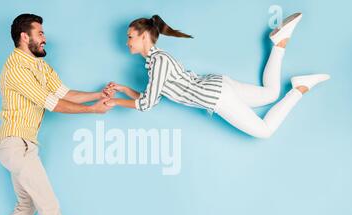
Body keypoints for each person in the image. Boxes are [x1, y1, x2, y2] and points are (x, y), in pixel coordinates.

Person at [0, 13, 112, 215]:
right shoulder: (16, 67)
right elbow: (52, 103)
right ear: (24, 37)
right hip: (15, 144)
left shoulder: (41, 67)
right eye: (39, 33)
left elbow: (63, 92)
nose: (44, 37)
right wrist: (93, 110)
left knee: (26, 205)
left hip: (25, 145)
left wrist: (97, 95)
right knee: (48, 203)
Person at [105, 13, 330, 139]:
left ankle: (300, 89)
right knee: (270, 93)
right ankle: (280, 42)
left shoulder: (157, 62)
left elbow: (147, 104)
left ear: (144, 36)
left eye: (130, 37)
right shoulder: (158, 61)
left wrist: (115, 101)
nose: (127, 42)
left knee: (264, 132)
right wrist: (125, 90)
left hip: (217, 96)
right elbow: (151, 96)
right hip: (218, 86)